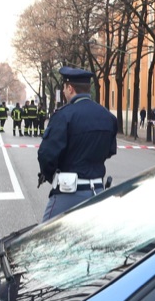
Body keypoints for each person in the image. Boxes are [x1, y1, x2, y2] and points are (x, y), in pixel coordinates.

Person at [38, 66, 117, 221]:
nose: (65, 91)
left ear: (70, 88)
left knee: (46, 239)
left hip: (68, 194)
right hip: (98, 193)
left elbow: (46, 155)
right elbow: (109, 151)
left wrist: (51, 176)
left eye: (65, 88)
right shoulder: (108, 117)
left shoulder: (64, 115)